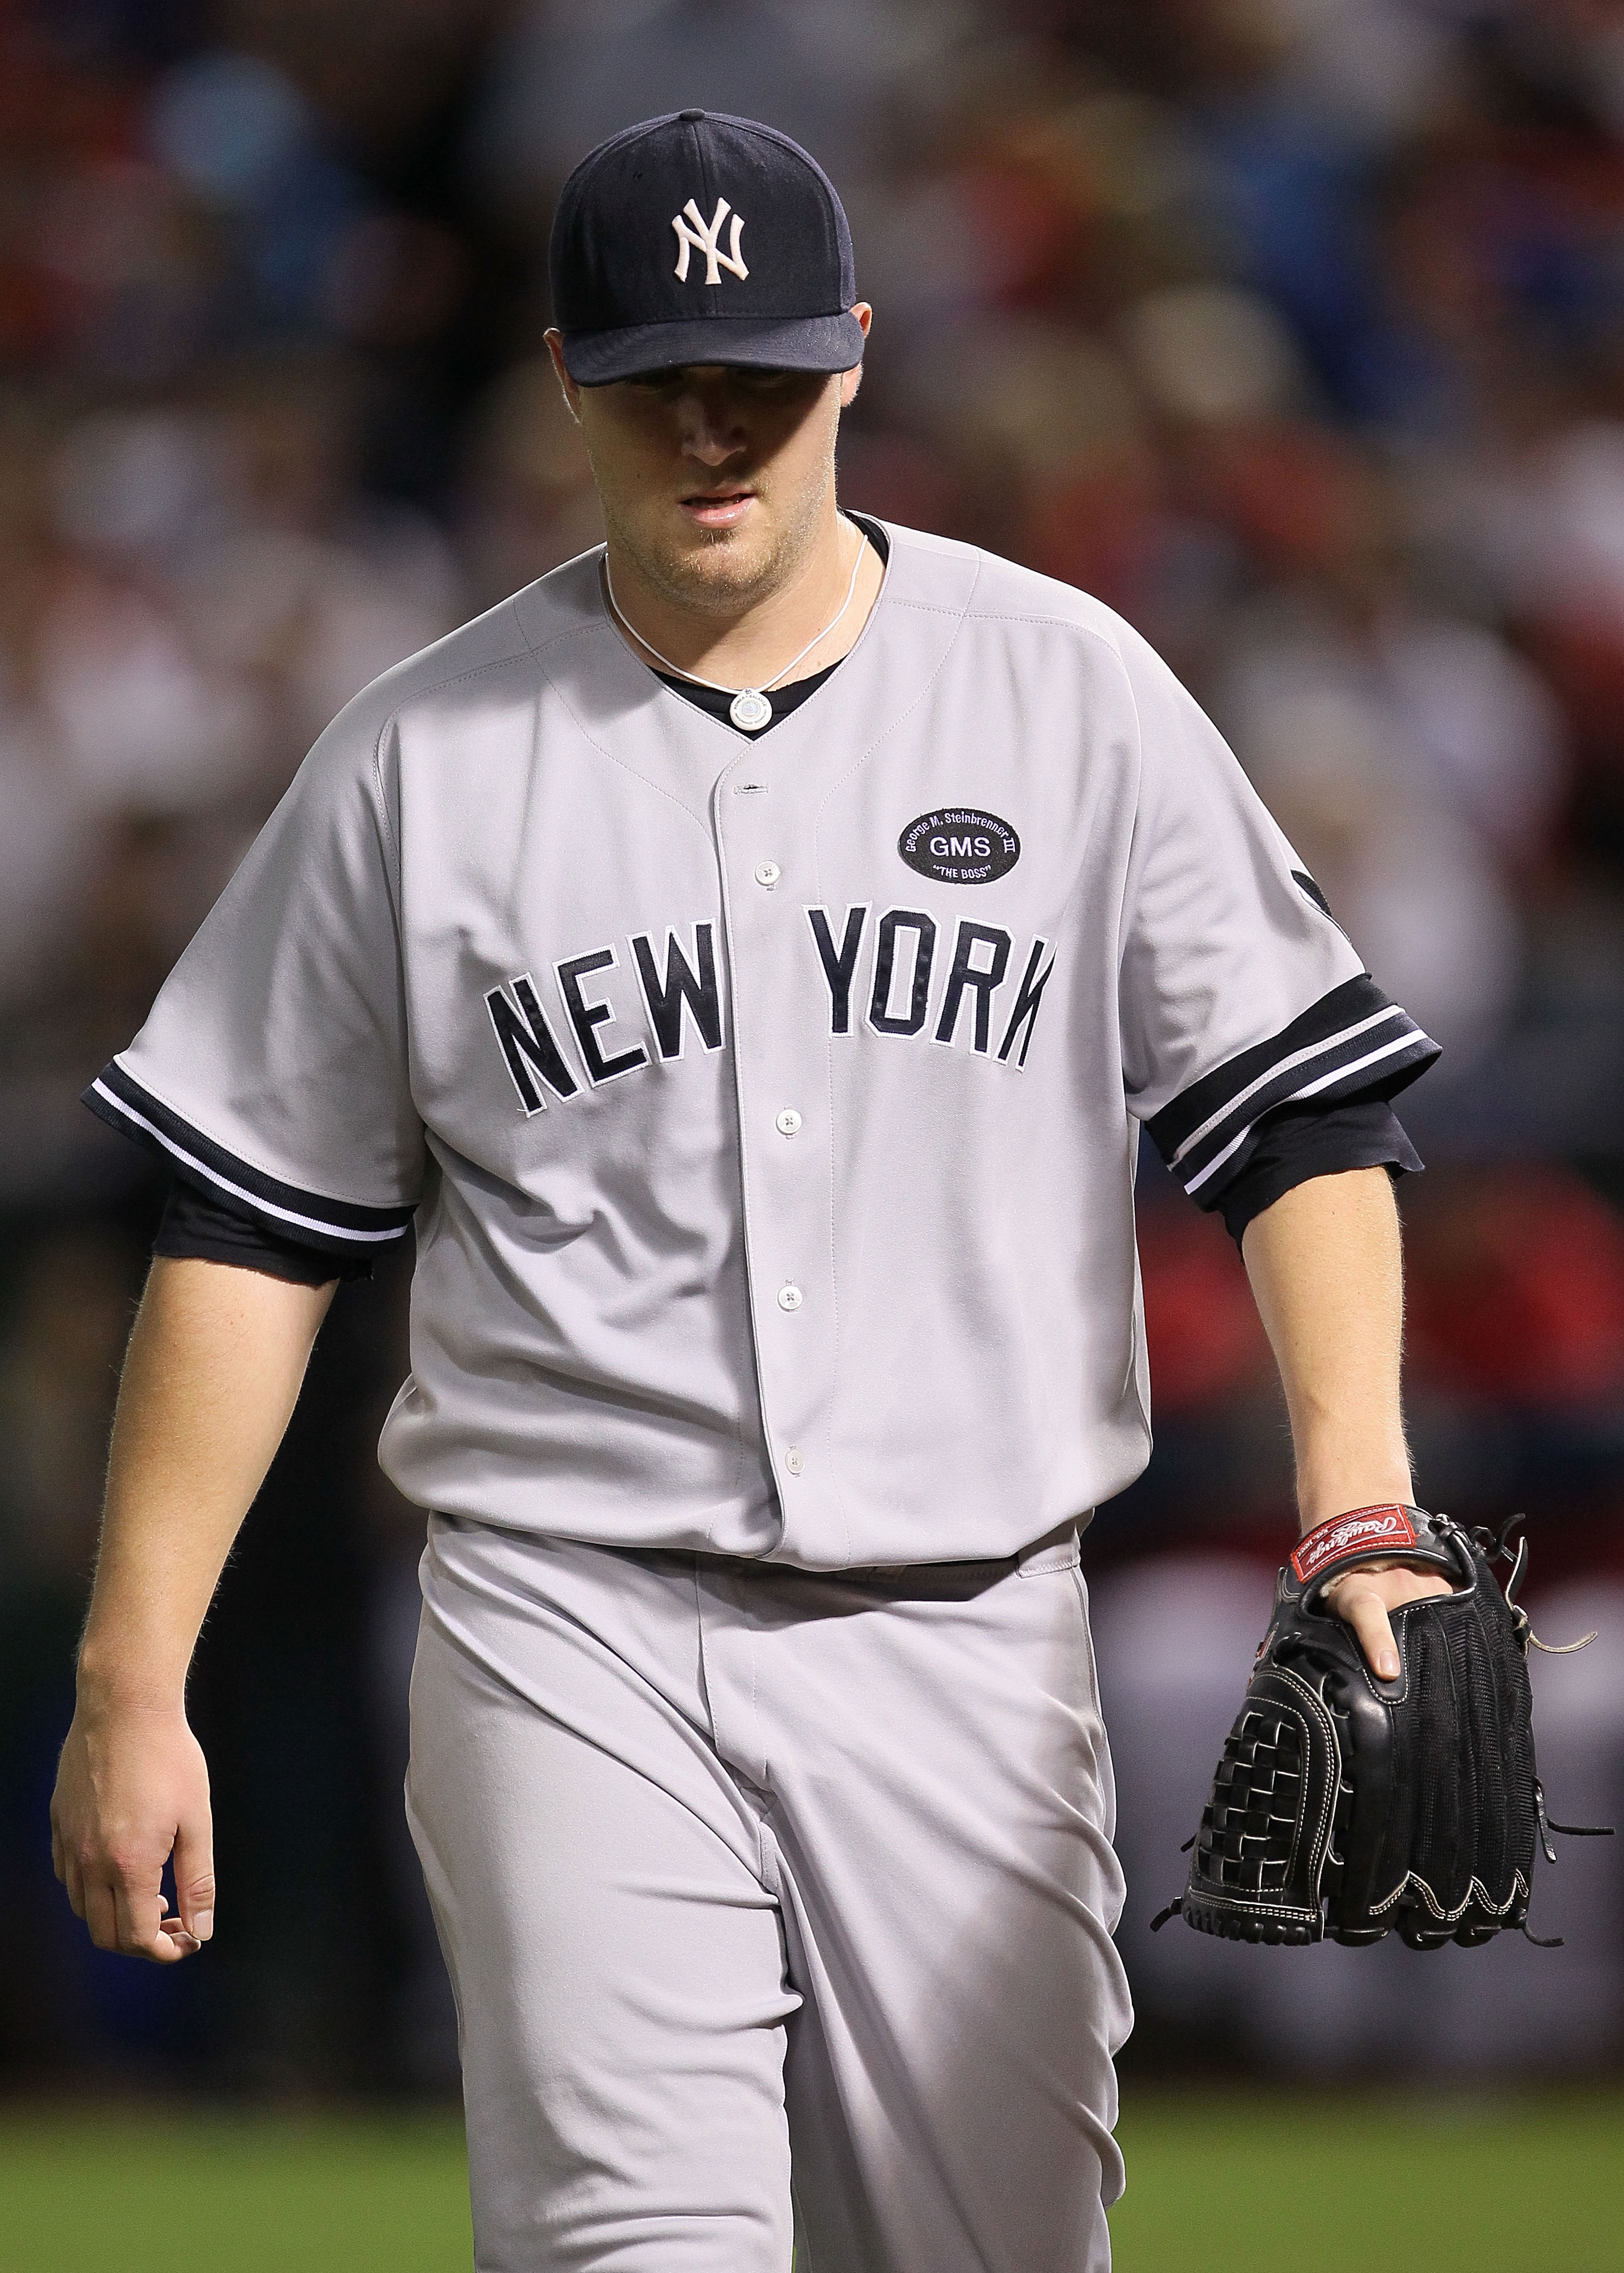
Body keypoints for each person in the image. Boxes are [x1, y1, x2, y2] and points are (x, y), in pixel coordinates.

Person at [52, 111, 1451, 2272]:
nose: (713, 431)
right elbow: (252, 1228)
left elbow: (1293, 1116)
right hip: (562, 1613)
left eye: (762, 379)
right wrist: (134, 1677)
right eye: (656, 381)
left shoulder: (1058, 687)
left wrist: (1354, 1491)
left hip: (969, 1626)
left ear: (856, 361)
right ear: (562, 377)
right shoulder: (421, 755)